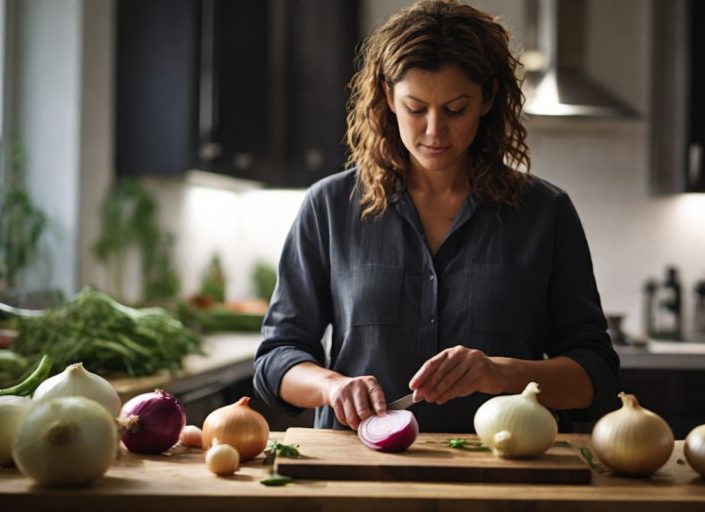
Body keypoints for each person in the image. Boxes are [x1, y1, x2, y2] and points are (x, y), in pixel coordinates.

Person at [254, 0, 619, 433]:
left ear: (488, 99)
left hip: (502, 477)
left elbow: (595, 373)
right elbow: (276, 359)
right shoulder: (329, 206)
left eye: (455, 109)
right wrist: (331, 386)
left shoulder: (545, 213)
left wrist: (503, 373)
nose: (433, 131)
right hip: (358, 479)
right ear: (388, 97)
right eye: (415, 108)